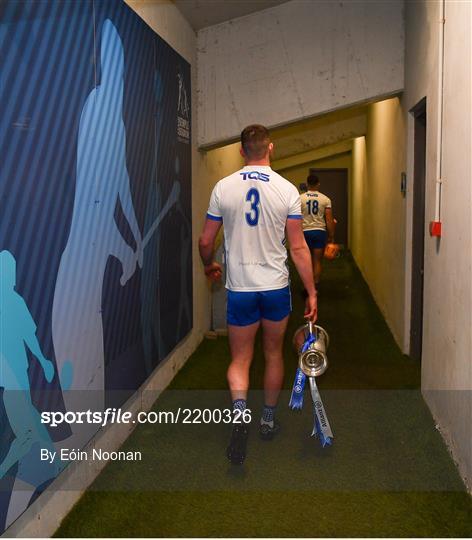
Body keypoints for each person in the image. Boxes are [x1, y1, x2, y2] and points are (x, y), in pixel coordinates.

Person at [198, 124, 317, 465]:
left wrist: (209, 266)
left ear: (240, 151)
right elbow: (297, 246)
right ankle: (266, 419)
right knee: (274, 354)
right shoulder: (286, 190)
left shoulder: (224, 187)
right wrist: (311, 291)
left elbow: (206, 241)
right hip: (275, 288)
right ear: (271, 149)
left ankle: (239, 413)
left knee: (240, 359)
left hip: (242, 289)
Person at [300, 173, 335, 288]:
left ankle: (307, 286)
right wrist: (331, 236)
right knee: (317, 261)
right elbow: (329, 220)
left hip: (304, 232)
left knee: (306, 261)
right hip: (319, 232)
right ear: (318, 184)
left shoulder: (300, 198)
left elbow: (295, 217)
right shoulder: (325, 199)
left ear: (307, 184)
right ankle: (315, 285)